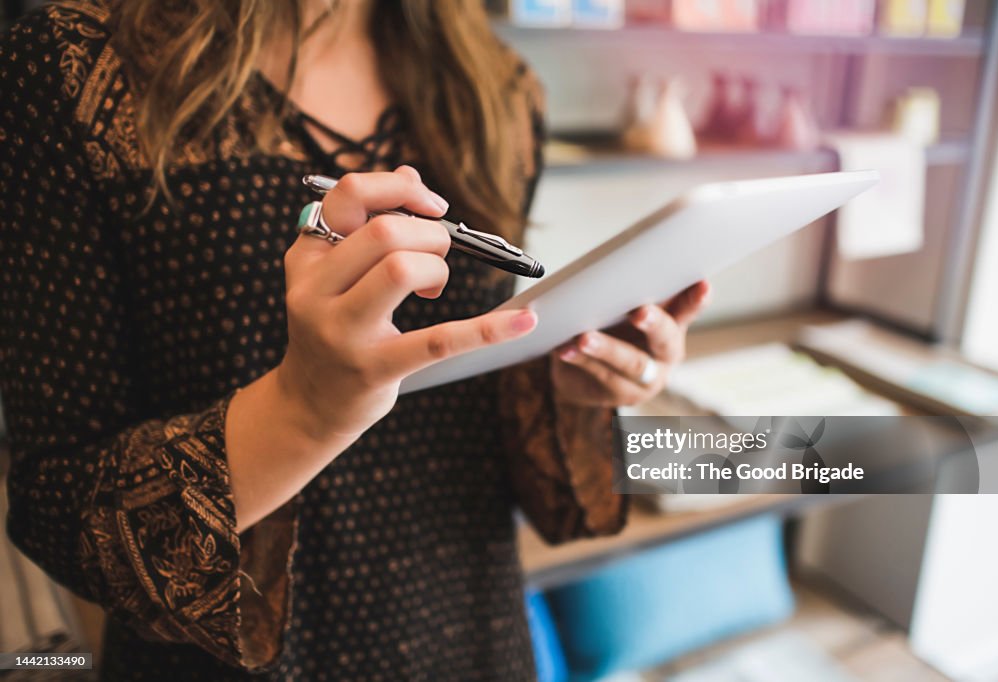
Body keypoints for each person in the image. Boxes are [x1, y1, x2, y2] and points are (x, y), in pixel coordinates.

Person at [0, 1, 709, 679]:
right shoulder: (75, 65)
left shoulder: (498, 88)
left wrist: (562, 381)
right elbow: (58, 506)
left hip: (471, 633)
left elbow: (462, 400)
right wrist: (305, 408)